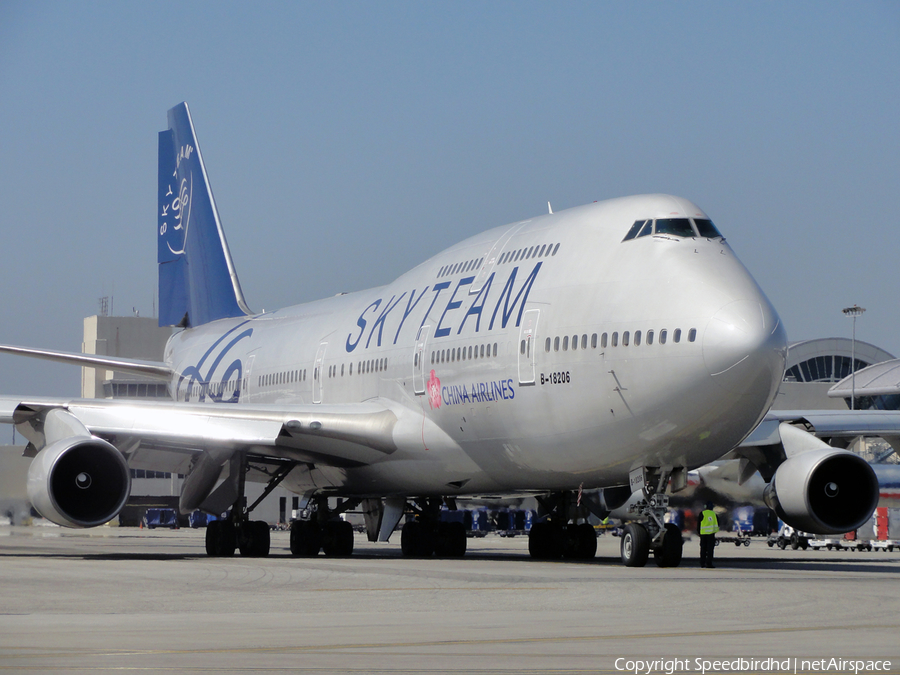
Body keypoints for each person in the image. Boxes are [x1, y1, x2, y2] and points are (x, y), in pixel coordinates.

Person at [698, 501, 719, 568]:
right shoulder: (714, 514)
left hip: (703, 534)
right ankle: (709, 563)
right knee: (710, 550)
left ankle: (702, 563)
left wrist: (699, 533)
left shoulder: (702, 513)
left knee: (703, 549)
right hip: (711, 534)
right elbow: (718, 523)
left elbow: (698, 524)